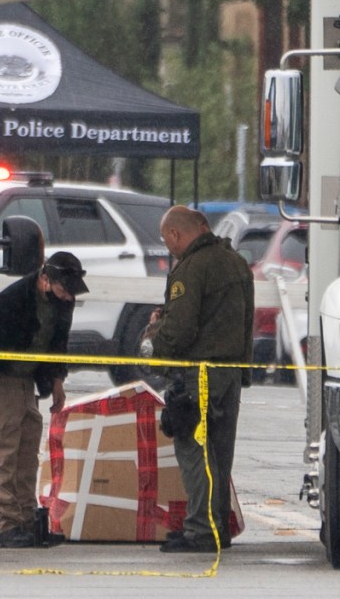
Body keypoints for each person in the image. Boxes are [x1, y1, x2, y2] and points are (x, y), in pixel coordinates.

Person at [145, 205, 256, 555]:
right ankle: (217, 527)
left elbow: (180, 330)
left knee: (195, 453)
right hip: (229, 374)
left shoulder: (191, 269)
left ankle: (201, 531)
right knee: (220, 457)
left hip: (198, 375)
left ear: (176, 234)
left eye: (167, 241)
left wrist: (153, 337)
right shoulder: (236, 263)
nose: (169, 247)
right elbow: (246, 320)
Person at [0, 251, 87, 547]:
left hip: (28, 380)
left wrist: (57, 382)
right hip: (2, 378)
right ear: (44, 280)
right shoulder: (13, 301)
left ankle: (26, 520)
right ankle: (4, 523)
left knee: (27, 451)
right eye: (64, 290)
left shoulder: (64, 301)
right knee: (1, 450)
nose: (68, 298)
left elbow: (58, 342)